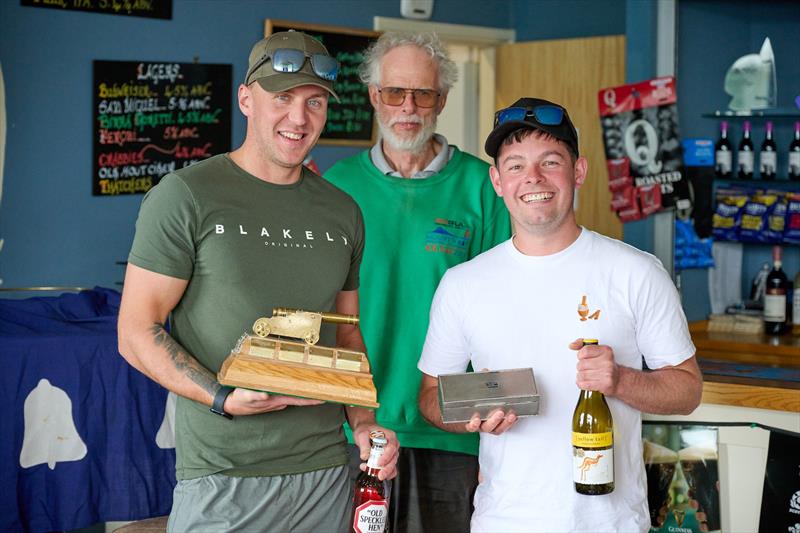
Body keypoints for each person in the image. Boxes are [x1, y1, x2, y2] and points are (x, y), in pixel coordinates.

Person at [117, 30, 398, 532]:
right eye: (283, 97)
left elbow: (347, 334)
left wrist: (363, 423)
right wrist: (222, 396)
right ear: (246, 99)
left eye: (315, 102)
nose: (300, 118)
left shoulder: (342, 211)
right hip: (225, 475)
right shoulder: (185, 196)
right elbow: (137, 332)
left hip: (327, 472)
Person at [417, 97, 703, 532]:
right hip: (503, 521)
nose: (532, 178)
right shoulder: (462, 284)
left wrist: (621, 379)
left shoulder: (636, 272)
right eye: (514, 166)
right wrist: (467, 417)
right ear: (496, 180)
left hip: (611, 524)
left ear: (579, 171)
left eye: (550, 161)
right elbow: (430, 395)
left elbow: (687, 391)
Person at [324, 32, 510, 532]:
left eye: (423, 93)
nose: (408, 107)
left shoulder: (484, 187)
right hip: (352, 428)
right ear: (373, 95)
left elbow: (504, 314)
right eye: (394, 92)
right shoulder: (335, 188)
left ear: (442, 100)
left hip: (449, 432)